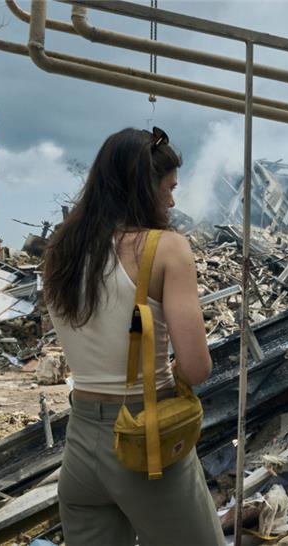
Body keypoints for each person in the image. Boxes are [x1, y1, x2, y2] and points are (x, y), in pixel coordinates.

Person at [43, 127, 226, 546]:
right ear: (145, 188)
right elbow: (196, 369)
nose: (172, 200)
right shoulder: (166, 249)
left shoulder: (60, 251)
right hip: (145, 444)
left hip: (81, 443)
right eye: (169, 188)